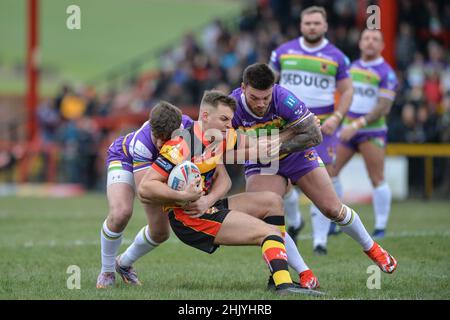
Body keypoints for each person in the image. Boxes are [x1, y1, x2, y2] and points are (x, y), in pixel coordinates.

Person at [117, 90, 323, 295]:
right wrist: (184, 196)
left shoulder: (221, 137)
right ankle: (284, 287)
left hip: (207, 207)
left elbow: (261, 146)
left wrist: (300, 128)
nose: (228, 124)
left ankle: (277, 278)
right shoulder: (180, 145)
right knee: (269, 232)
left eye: (230, 120)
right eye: (224, 119)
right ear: (205, 116)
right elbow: (146, 187)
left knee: (272, 201)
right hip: (189, 219)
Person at [230, 62, 397, 275]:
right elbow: (223, 147)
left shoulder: (283, 99)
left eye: (266, 97)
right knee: (266, 218)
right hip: (261, 161)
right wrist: (268, 142)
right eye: (255, 98)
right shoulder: (231, 106)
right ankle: (303, 273)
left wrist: (277, 143)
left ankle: (372, 248)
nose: (261, 104)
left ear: (273, 88)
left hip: (297, 155)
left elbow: (315, 136)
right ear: (243, 88)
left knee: (332, 209)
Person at [269, 5, 354, 254]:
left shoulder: (336, 56)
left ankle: (320, 242)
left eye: (317, 23)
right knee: (281, 182)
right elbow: (268, 85)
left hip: (322, 126)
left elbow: (348, 90)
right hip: (287, 127)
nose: (312, 27)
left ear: (325, 26)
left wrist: (338, 117)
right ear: (301, 25)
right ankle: (295, 221)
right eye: (308, 23)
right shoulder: (283, 52)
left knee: (323, 179)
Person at [96, 102, 193, 288]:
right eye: (156, 137)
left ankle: (123, 264)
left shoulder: (190, 130)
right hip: (123, 157)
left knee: (160, 233)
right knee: (121, 213)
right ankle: (107, 271)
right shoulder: (142, 143)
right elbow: (145, 192)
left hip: (157, 168)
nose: (158, 143)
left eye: (164, 140)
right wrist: (182, 196)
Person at [330, 29, 398, 239]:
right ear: (360, 43)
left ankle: (380, 227)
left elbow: (383, 107)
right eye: (366, 38)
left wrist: (357, 124)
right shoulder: (350, 68)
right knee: (331, 172)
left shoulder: (387, 72)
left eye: (375, 39)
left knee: (376, 178)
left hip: (371, 131)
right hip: (347, 128)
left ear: (382, 46)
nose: (370, 42)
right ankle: (335, 220)